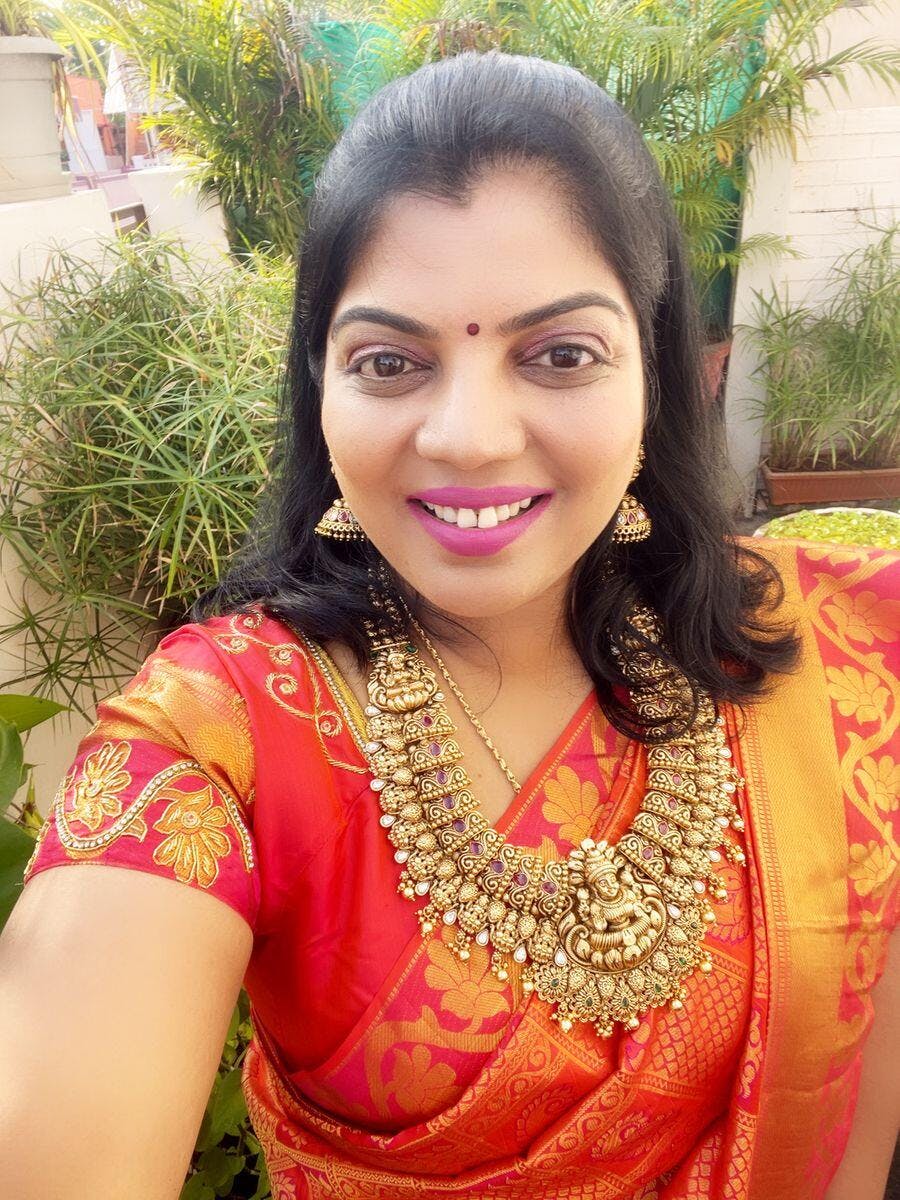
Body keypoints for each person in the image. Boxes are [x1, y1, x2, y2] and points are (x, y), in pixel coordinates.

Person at [1, 50, 897, 1200]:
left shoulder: (843, 652)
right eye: (390, 362)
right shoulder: (222, 741)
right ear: (320, 390)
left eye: (561, 355)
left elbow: (851, 1106)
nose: (470, 437)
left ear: (655, 372)